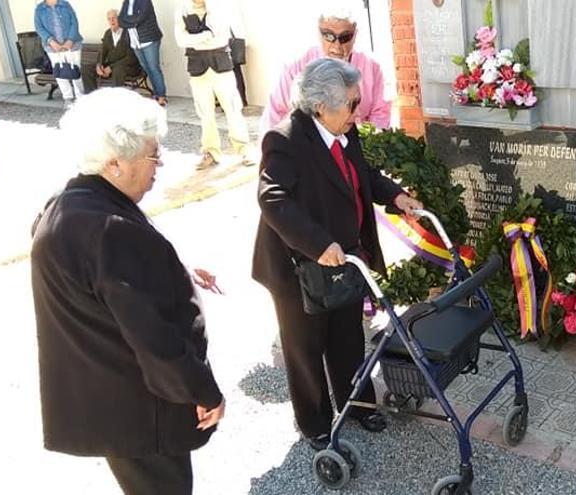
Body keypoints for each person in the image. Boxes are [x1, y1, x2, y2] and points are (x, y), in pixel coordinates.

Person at [31, 88, 225, 495]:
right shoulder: (108, 230)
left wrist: (176, 269)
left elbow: (101, 283)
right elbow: (153, 337)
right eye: (153, 155)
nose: (159, 166)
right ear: (115, 163)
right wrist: (202, 389)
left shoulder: (66, 206)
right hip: (142, 409)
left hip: (115, 405)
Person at [252, 58, 422, 451]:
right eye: (350, 103)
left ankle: (357, 406)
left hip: (344, 259)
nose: (357, 111)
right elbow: (272, 199)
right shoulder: (286, 140)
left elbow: (363, 175)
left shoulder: (345, 131)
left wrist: (395, 196)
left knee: (347, 338)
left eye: (357, 101)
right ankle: (314, 424)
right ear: (319, 106)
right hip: (299, 266)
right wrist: (316, 243)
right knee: (306, 348)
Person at [258, 5, 391, 136]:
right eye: (329, 36)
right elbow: (274, 116)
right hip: (307, 149)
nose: (337, 45)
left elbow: (380, 114)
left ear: (355, 34)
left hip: (356, 146)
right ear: (318, 33)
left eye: (345, 37)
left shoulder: (372, 67)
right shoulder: (296, 66)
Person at [174, 0, 253, 170]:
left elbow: (221, 37)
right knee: (205, 112)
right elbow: (180, 39)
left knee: (232, 109)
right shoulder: (182, 9)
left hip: (221, 65)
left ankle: (243, 148)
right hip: (197, 68)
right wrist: (205, 36)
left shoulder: (219, 6)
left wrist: (195, 40)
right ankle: (210, 152)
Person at [34, 0, 84, 106]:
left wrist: (70, 40)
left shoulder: (65, 4)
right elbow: (39, 28)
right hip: (53, 47)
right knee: (60, 74)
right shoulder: (39, 9)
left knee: (76, 71)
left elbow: (74, 22)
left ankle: (80, 98)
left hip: (72, 45)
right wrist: (51, 41)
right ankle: (68, 98)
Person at [118, 0, 168, 106]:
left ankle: (162, 96)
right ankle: (156, 94)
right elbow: (120, 20)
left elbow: (140, 18)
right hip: (135, 42)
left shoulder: (145, 1)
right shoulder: (126, 2)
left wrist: (127, 20)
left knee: (154, 68)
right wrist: (131, 20)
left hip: (149, 40)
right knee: (147, 68)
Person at [89, 9, 141, 91]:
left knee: (118, 70)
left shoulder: (129, 32)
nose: (111, 21)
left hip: (130, 67)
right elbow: (103, 51)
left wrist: (111, 68)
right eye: (109, 19)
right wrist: (99, 65)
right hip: (112, 66)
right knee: (88, 69)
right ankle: (92, 96)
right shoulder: (108, 33)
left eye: (114, 18)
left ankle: (115, 100)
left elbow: (132, 57)